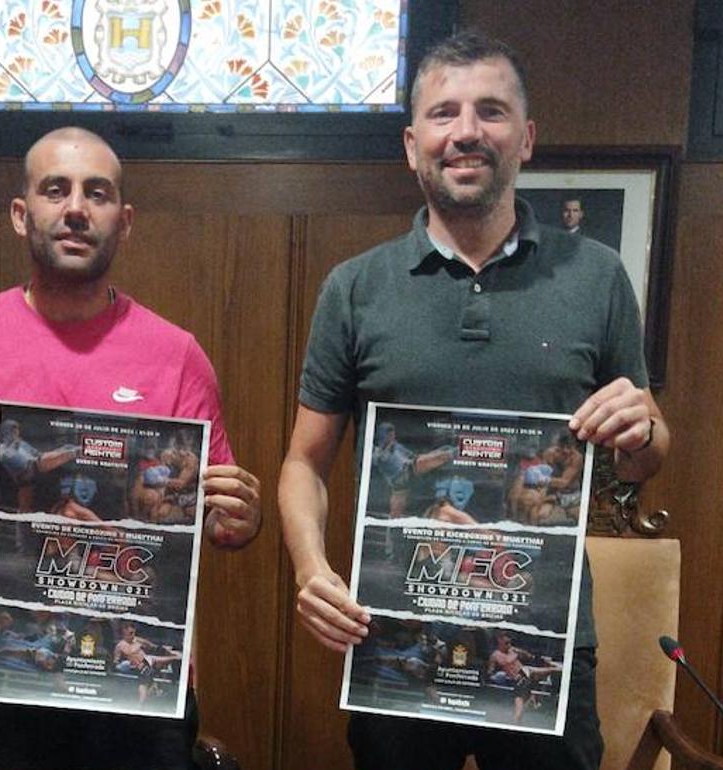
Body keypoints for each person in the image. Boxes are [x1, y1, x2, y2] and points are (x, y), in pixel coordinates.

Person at [278, 31, 668, 770]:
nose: (466, 131)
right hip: (396, 631)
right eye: (443, 113)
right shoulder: (355, 288)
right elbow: (304, 462)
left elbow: (645, 456)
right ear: (412, 144)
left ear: (526, 138)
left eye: (490, 111)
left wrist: (642, 432)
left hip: (544, 631)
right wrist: (311, 569)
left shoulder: (597, 276)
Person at [0, 126, 261, 770]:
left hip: (133, 675)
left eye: (96, 193)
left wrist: (239, 518)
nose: (76, 208)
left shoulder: (177, 354)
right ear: (20, 214)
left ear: (124, 221)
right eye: (55, 190)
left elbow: (217, 522)